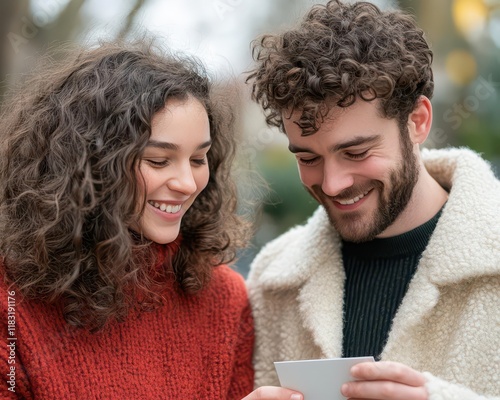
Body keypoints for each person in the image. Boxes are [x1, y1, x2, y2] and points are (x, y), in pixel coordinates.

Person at [246, 1, 500, 399]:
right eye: (309, 158)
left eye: (357, 153)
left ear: (417, 122)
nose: (331, 184)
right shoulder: (273, 282)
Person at [0, 39, 255, 399]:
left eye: (198, 160)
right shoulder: (11, 305)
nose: (186, 183)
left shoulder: (226, 300)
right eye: (158, 160)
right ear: (90, 166)